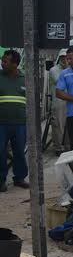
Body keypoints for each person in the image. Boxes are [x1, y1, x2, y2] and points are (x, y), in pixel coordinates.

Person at [0, 49, 28, 192]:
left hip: (20, 123)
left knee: (19, 152)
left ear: (15, 64)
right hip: (1, 123)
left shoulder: (25, 78)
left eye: (5, 61)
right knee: (0, 151)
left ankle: (19, 178)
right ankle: (1, 180)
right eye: (2, 60)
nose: (2, 63)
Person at [48, 50, 68, 153]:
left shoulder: (71, 69)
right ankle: (58, 148)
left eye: (67, 57)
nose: (65, 59)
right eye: (63, 57)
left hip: (70, 101)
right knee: (58, 126)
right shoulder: (53, 70)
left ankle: (68, 146)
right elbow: (60, 82)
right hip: (59, 102)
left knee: (68, 126)